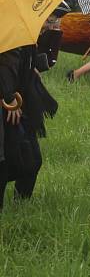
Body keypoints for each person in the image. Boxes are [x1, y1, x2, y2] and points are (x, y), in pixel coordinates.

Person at [0, 16, 60, 210]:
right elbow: (6, 64)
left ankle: (21, 206)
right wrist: (9, 97)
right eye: (49, 20)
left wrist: (32, 66)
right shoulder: (11, 32)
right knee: (14, 160)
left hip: (22, 101)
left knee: (31, 160)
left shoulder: (25, 32)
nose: (50, 25)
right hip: (10, 104)